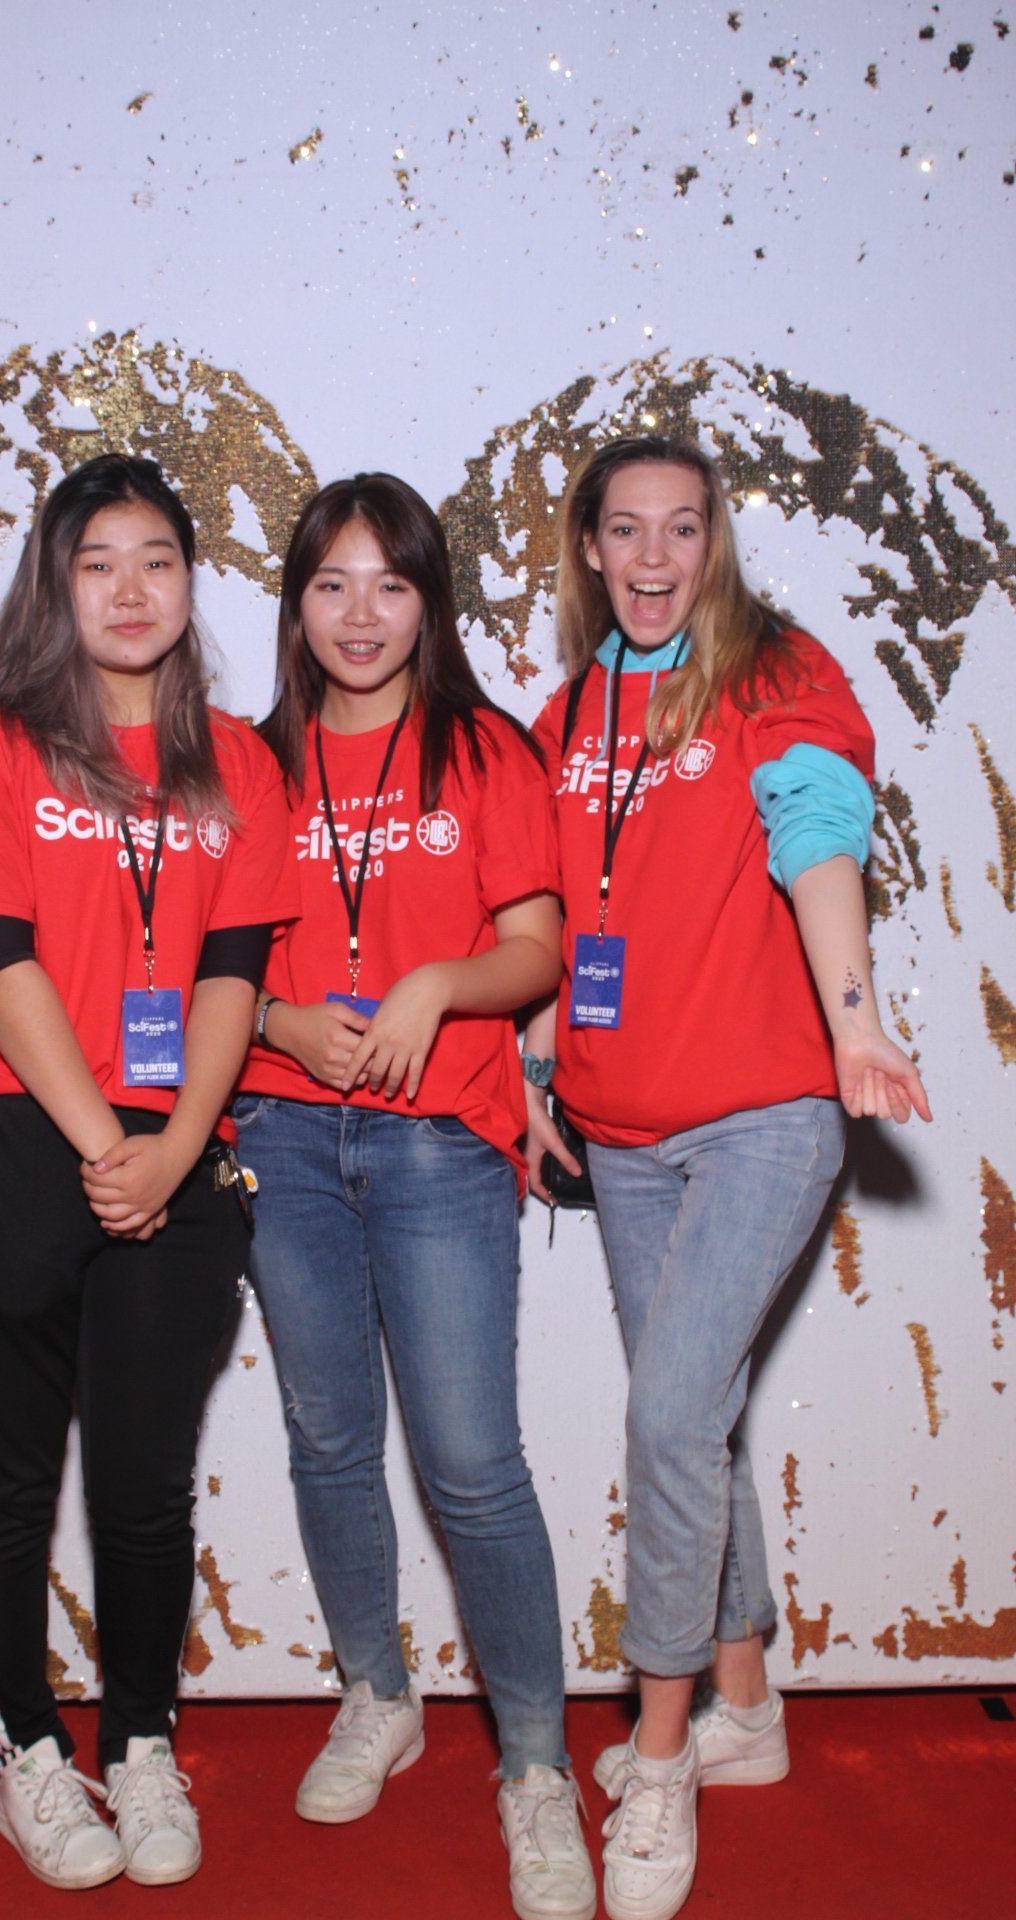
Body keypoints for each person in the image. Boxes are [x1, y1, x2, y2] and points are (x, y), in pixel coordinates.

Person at [524, 436, 931, 1920]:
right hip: (620, 1131)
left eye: (682, 528)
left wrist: (854, 1016)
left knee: (668, 1418)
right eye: (626, 529)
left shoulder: (775, 672)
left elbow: (818, 833)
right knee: (694, 1420)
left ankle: (663, 1751)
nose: (654, 557)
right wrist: (537, 1072)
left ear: (716, 542)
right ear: (588, 546)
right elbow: (563, 908)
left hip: (763, 1113)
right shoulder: (569, 711)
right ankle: (747, 1704)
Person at [0, 453, 295, 1891]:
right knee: (6, 1480)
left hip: (177, 1142)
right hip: (7, 1125)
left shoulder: (239, 762)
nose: (131, 591)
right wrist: (106, 1146)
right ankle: (25, 1754)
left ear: (191, 584)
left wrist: (176, 1148)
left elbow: (233, 974)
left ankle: (140, 1739)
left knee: (144, 1482)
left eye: (158, 561)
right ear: (54, 585)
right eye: (97, 562)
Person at [235, 473, 596, 1920]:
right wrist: (277, 1022)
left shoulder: (483, 748)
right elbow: (204, 968)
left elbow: (538, 949)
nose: (361, 613)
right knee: (329, 1442)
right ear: (297, 606)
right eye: (331, 583)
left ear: (428, 600)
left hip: (441, 1144)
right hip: (284, 1139)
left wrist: (439, 983)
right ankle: (376, 1694)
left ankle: (536, 1766)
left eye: (390, 582)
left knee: (471, 1462)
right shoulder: (252, 761)